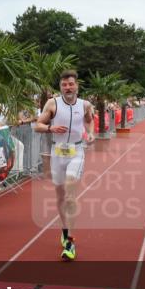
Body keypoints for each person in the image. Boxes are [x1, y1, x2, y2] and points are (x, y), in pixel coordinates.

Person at [35, 70, 95, 262]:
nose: (68, 87)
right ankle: (65, 228)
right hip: (57, 152)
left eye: (71, 84)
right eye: (64, 85)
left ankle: (70, 241)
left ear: (77, 85)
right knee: (60, 196)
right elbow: (37, 125)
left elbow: (89, 121)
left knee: (70, 193)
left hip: (76, 152)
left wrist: (91, 134)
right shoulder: (53, 103)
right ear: (60, 87)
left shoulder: (85, 105)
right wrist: (50, 127)